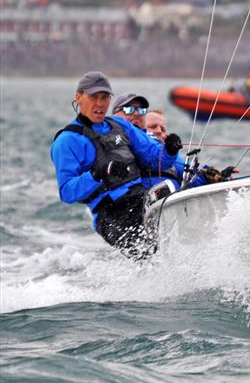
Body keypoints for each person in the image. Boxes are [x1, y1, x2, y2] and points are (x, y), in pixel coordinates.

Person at [50, 72, 183, 259]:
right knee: (150, 254)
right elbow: (67, 192)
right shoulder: (67, 141)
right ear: (78, 97)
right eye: (93, 97)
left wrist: (169, 150)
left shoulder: (120, 125)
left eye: (104, 97)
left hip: (141, 200)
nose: (100, 103)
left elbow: (154, 157)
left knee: (172, 244)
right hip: (110, 214)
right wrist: (97, 174)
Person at [141, 109, 237, 191]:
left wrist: (214, 177)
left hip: (172, 201)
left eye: (163, 129)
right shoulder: (134, 148)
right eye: (153, 127)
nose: (158, 131)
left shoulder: (174, 158)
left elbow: (192, 182)